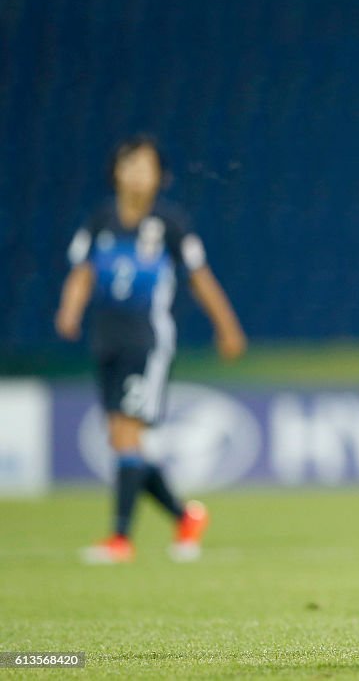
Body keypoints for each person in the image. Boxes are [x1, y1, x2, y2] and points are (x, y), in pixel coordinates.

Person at [55, 135, 247, 564]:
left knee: (126, 434)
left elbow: (201, 278)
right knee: (123, 440)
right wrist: (70, 309)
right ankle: (185, 516)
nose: (139, 173)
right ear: (117, 173)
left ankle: (120, 539)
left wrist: (227, 328)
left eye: (147, 166)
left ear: (160, 176)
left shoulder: (170, 223)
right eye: (131, 165)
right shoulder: (101, 220)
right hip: (106, 336)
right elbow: (82, 272)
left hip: (147, 339)